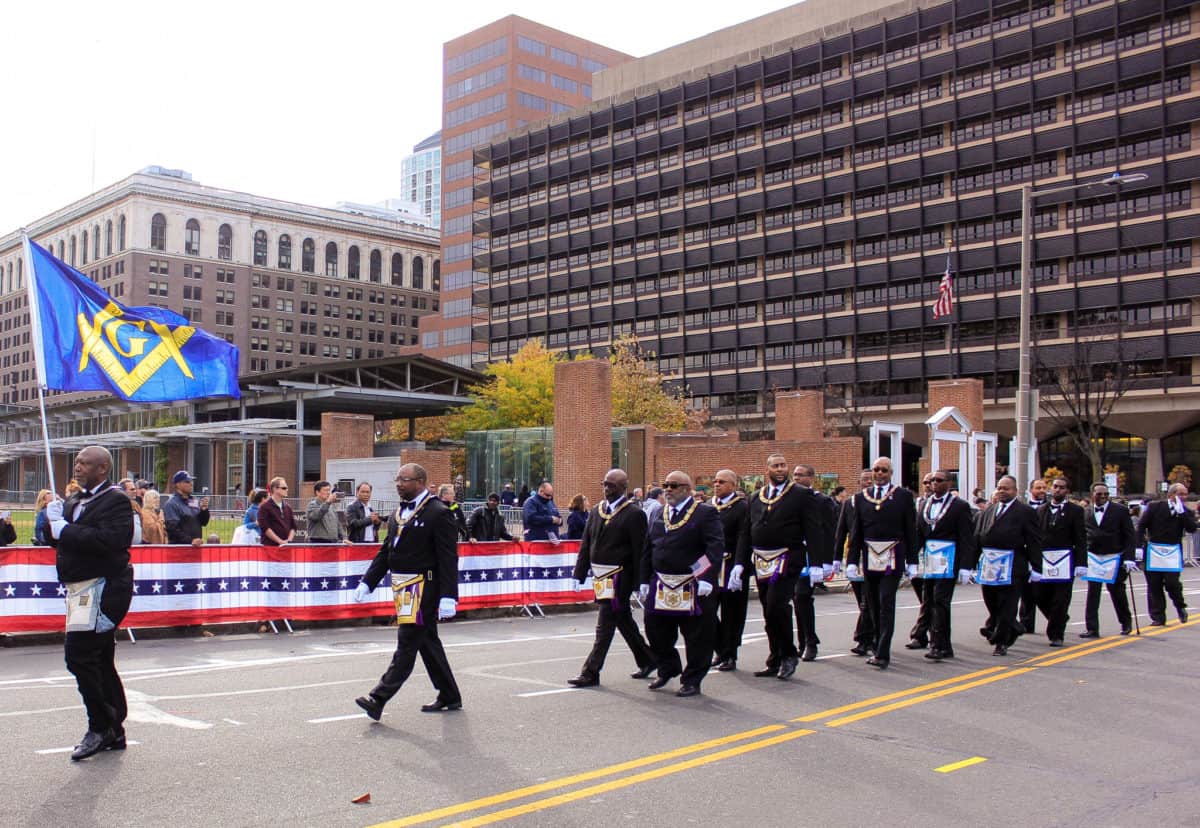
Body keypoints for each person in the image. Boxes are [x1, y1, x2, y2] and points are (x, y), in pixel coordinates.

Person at [46, 445, 135, 761]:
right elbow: (57, 538)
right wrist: (50, 521)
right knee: (99, 658)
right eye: (77, 461)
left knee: (79, 655)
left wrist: (65, 528)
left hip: (103, 589)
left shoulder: (117, 501)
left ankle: (100, 726)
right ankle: (115, 728)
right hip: (78, 589)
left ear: (102, 468)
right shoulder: (73, 500)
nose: (77, 466)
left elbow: (110, 541)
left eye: (84, 463)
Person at [352, 462, 462, 719]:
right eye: (397, 480)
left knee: (408, 641)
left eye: (405, 479)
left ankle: (378, 698)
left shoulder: (438, 512)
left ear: (420, 482)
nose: (399, 484)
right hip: (404, 586)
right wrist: (368, 582)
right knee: (427, 642)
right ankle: (449, 694)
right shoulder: (398, 513)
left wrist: (448, 595)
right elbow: (386, 551)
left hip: (425, 587)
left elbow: (448, 558)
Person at [567, 468, 656, 687]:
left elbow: (640, 550)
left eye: (612, 486)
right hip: (601, 577)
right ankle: (648, 659)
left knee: (605, 624)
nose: (607, 489)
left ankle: (591, 672)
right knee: (623, 621)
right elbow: (587, 543)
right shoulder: (597, 510)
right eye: (605, 484)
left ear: (624, 487)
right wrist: (579, 573)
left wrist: (640, 581)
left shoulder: (634, 514)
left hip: (620, 577)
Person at [639, 470, 724, 697]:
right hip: (662, 583)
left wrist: (705, 577)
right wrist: (644, 580)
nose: (668, 489)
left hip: (692, 583)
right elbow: (649, 547)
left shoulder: (705, 513)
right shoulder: (658, 513)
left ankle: (693, 679)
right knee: (654, 629)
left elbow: (714, 548)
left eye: (673, 485)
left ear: (686, 489)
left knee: (697, 636)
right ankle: (668, 667)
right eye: (666, 485)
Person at [737, 454, 823, 679]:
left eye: (783, 466)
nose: (780, 469)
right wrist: (739, 563)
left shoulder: (801, 495)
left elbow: (814, 529)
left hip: (787, 557)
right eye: (775, 466)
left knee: (777, 605)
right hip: (762, 560)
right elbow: (747, 531)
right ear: (767, 470)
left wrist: (817, 564)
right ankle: (774, 657)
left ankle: (788, 654)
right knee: (768, 610)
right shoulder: (756, 497)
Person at [846, 456, 918, 669]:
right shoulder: (861, 498)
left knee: (887, 602)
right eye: (876, 469)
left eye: (883, 470)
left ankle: (883, 652)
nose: (879, 474)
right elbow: (856, 531)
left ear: (890, 473)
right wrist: (851, 561)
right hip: (870, 558)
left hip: (893, 556)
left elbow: (910, 530)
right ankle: (876, 643)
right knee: (872, 604)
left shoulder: (903, 496)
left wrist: (912, 560)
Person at [974, 475, 1042, 656]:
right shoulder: (988, 511)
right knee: (992, 602)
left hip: (1013, 564)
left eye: (1006, 488)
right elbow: (978, 538)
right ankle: (1015, 626)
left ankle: (1002, 641)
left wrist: (1036, 567)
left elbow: (1034, 540)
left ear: (1015, 491)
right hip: (989, 563)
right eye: (999, 488)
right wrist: (970, 564)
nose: (1002, 491)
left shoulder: (1025, 512)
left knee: (1007, 604)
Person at [913, 470, 976, 661]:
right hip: (930, 559)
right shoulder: (925, 504)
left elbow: (966, 537)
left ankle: (938, 645)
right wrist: (912, 560)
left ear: (949, 483)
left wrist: (966, 566)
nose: (934, 484)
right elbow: (919, 535)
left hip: (948, 558)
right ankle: (942, 644)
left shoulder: (960, 506)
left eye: (939, 480)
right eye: (932, 480)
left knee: (941, 602)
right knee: (929, 600)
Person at [790, 463, 836, 660]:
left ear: (811, 478)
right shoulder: (789, 499)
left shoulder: (822, 501)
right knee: (795, 599)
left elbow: (829, 531)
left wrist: (826, 561)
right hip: (793, 554)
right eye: (795, 475)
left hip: (812, 556)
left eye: (801, 475)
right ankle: (801, 641)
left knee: (802, 596)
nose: (797, 478)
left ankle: (810, 641)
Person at [1034, 476, 1087, 646]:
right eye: (1055, 486)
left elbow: (1080, 538)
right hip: (1044, 560)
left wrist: (1081, 563)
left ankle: (1056, 634)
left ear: (1067, 491)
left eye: (1062, 487)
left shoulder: (1075, 511)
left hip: (1065, 560)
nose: (1057, 490)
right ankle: (1060, 618)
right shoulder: (1041, 510)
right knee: (1039, 595)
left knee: (1061, 598)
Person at [1081, 482, 1137, 638]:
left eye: (1106, 494)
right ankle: (1092, 628)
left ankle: (1126, 622)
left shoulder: (1120, 511)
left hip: (1114, 556)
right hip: (1093, 557)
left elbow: (1129, 535)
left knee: (1117, 592)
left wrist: (1129, 557)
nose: (1103, 497)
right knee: (1093, 593)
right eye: (1099, 494)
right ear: (1092, 495)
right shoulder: (1085, 512)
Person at [710, 469, 751, 671]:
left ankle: (730, 653)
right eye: (715, 481)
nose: (717, 485)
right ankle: (720, 648)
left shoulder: (742, 507)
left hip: (732, 565)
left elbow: (745, 537)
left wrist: (740, 565)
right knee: (707, 610)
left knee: (732, 612)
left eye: (722, 481)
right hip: (711, 567)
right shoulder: (708, 507)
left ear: (733, 485)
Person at [1137, 483, 1195, 626]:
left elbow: (1192, 528)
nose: (1184, 497)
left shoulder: (1186, 512)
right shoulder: (1154, 507)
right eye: (1181, 494)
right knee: (1154, 585)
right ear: (1171, 495)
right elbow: (1141, 526)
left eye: (1185, 494)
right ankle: (1158, 617)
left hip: (1173, 552)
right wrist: (1138, 547)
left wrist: (1182, 513)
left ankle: (1180, 606)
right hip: (1154, 551)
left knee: (1172, 583)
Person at [836, 469, 876, 656]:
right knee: (863, 600)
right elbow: (841, 531)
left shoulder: (881, 503)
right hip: (855, 555)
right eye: (864, 479)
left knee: (870, 600)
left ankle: (865, 638)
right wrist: (836, 558)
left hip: (876, 556)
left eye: (870, 479)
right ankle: (868, 635)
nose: (868, 482)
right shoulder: (850, 503)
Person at [905, 472, 935, 651]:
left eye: (932, 482)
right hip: (918, 557)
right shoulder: (917, 503)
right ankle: (929, 630)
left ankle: (920, 633)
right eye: (925, 482)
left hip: (938, 556)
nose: (929, 485)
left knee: (930, 599)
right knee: (924, 599)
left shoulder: (948, 504)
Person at [1018, 477, 1050, 635]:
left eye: (1044, 487)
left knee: (1042, 592)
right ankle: (1026, 623)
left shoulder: (1051, 508)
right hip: (1026, 552)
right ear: (1031, 490)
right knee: (1027, 591)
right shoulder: (1023, 508)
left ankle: (1056, 618)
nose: (1042, 491)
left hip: (1047, 553)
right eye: (1038, 488)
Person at [162, 471, 210, 546]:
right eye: (187, 481)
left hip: (195, 549)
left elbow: (203, 522)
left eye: (191, 481)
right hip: (179, 550)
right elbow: (172, 529)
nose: (191, 484)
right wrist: (190, 541)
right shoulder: (171, 504)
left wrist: (204, 511)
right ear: (178, 484)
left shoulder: (194, 500)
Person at [258, 477, 297, 546]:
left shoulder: (288, 507)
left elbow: (293, 527)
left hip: (286, 548)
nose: (287, 490)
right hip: (270, 548)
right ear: (275, 489)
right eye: (284, 488)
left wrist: (289, 541)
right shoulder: (264, 507)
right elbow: (265, 527)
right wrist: (280, 541)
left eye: (287, 488)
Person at [118, 479, 143, 545]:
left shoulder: (136, 505)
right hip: (123, 548)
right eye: (132, 489)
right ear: (123, 491)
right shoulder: (116, 506)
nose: (135, 491)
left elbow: (142, 522)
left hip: (137, 548)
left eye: (135, 489)